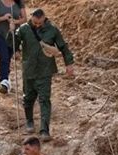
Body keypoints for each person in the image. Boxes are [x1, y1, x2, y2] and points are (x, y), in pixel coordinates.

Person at [13, 8, 74, 141]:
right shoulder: (24, 29)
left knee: (44, 100)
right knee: (28, 98)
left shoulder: (52, 30)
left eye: (39, 23)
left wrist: (69, 64)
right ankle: (29, 121)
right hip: (29, 70)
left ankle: (44, 130)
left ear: (44, 18)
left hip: (45, 70)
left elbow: (63, 47)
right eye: (35, 23)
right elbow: (13, 43)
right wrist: (13, 37)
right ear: (32, 18)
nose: (37, 25)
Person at [0, 0, 26, 93]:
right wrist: (3, 18)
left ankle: (3, 78)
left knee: (7, 57)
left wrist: (15, 21)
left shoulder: (19, 2)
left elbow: (24, 19)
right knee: (4, 56)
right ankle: (4, 81)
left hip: (14, 36)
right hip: (0, 34)